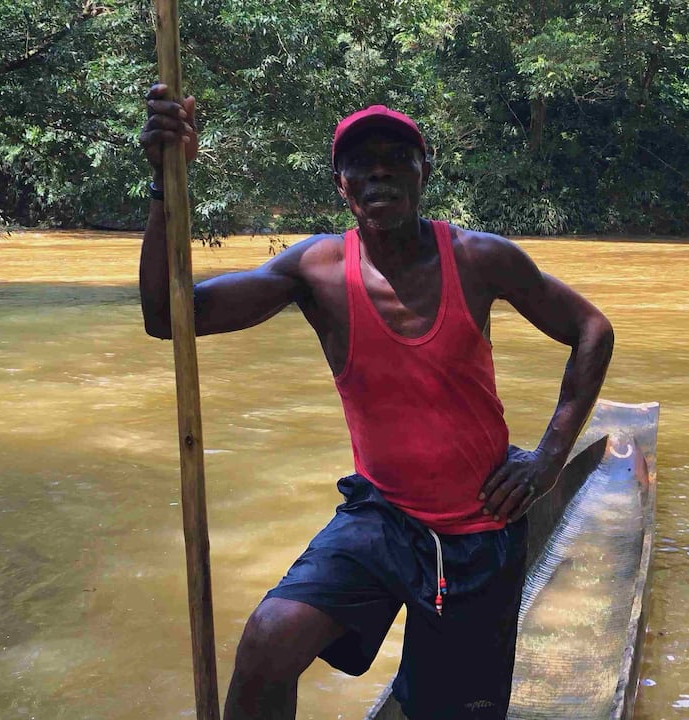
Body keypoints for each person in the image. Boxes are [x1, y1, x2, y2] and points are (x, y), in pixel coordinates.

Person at [137, 85, 614, 720]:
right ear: (343, 184)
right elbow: (168, 317)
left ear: (424, 172)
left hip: (478, 531)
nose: (379, 170)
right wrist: (166, 184)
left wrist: (550, 458)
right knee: (268, 644)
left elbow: (591, 330)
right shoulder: (317, 269)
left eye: (397, 157)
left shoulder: (479, 258)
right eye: (362, 162)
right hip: (382, 517)